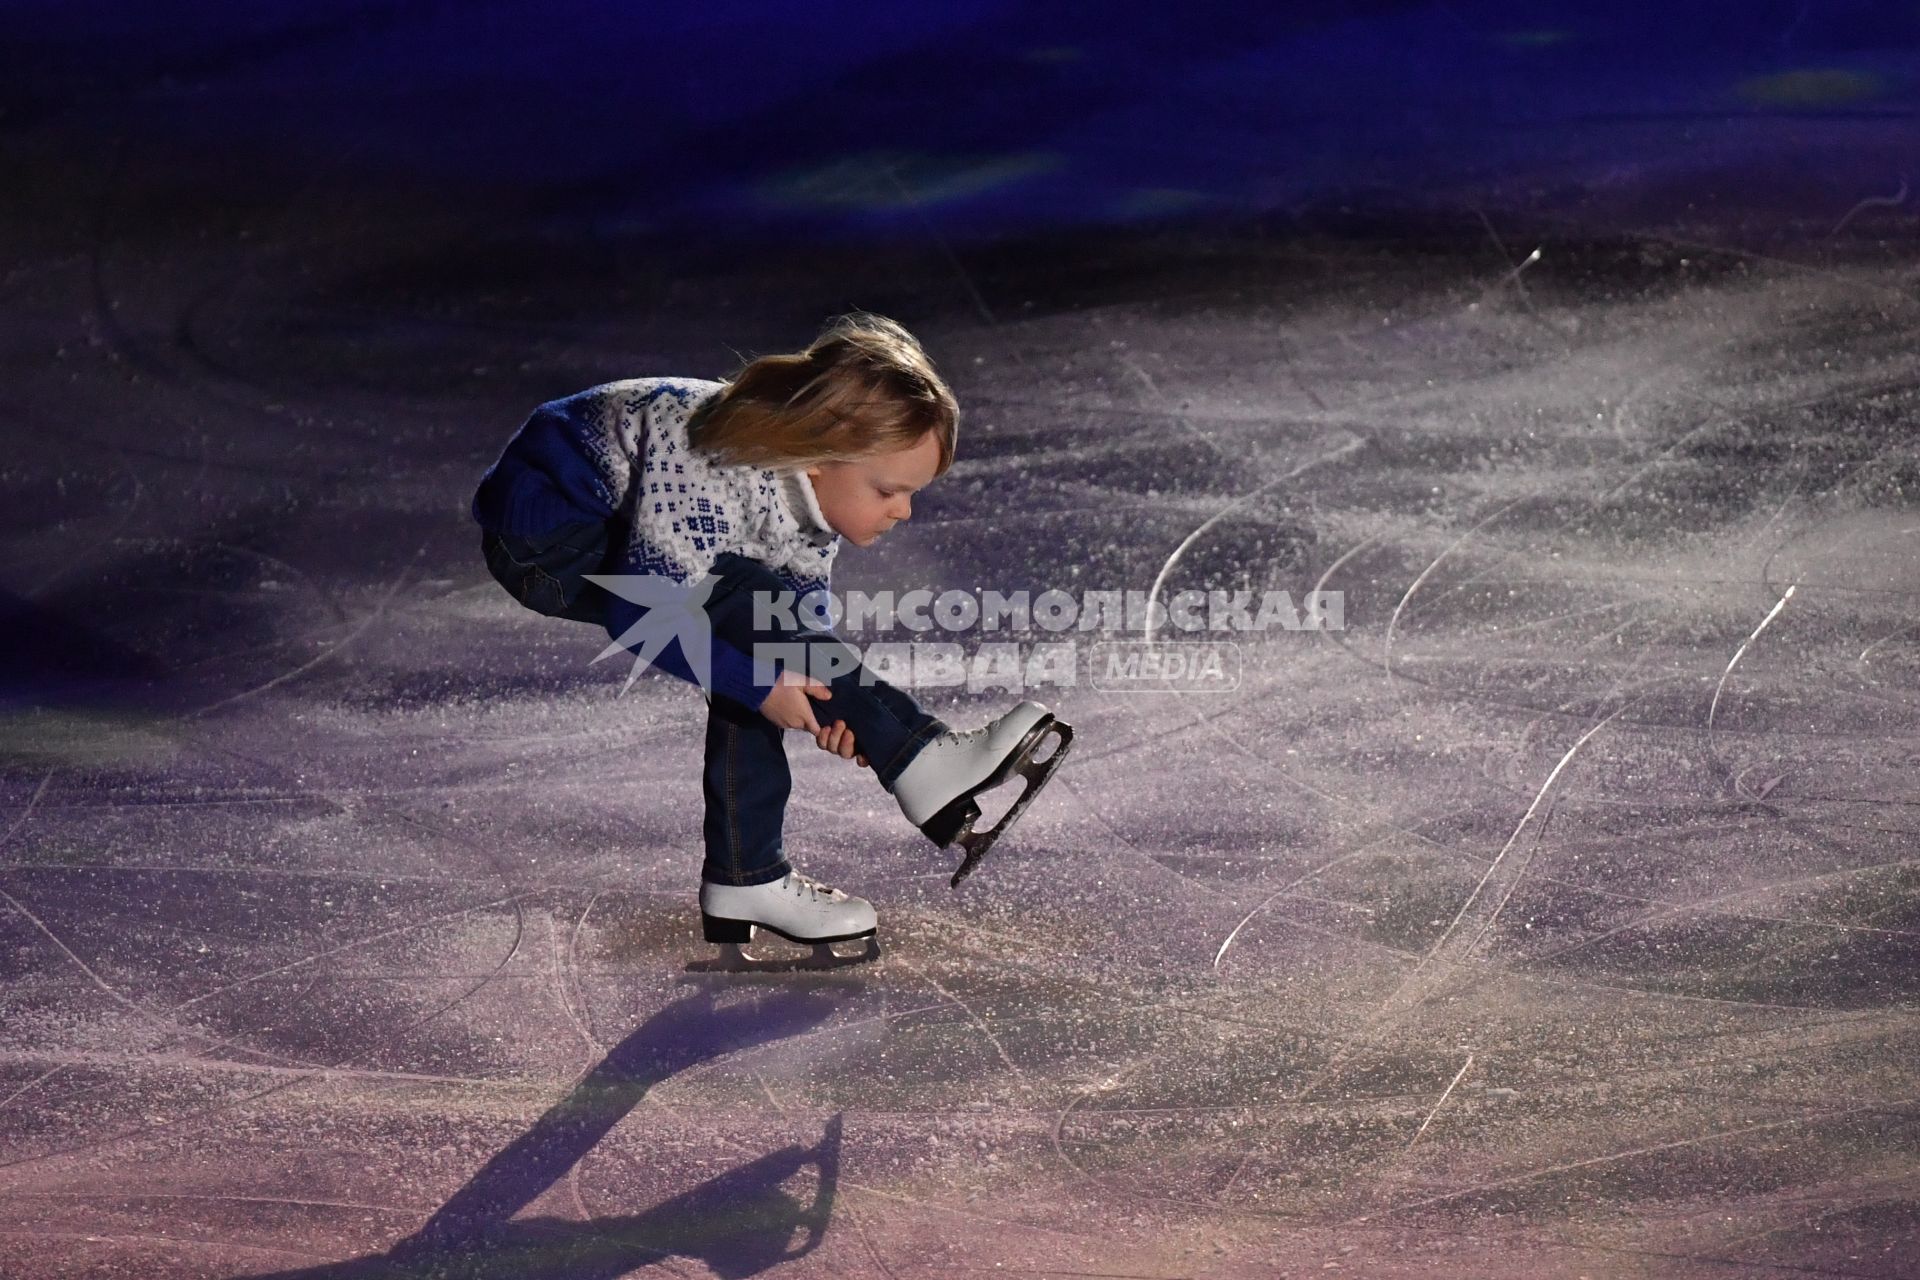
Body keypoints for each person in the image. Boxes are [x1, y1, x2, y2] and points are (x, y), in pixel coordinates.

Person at [471, 314, 1069, 955]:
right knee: (744, 613)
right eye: (889, 490)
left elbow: (800, 628)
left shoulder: (803, 500)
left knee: (762, 629)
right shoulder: (705, 475)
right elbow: (642, 612)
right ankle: (920, 766)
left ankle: (750, 875)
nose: (904, 511)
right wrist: (760, 689)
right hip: (546, 537)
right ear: (815, 459)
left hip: (625, 525)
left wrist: (841, 710)